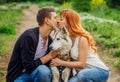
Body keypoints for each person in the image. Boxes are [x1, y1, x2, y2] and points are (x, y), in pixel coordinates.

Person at [51, 9, 109, 82]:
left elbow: (81, 64)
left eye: (61, 19)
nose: (58, 21)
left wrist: (61, 62)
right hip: (82, 73)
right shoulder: (66, 39)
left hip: (99, 71)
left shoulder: (82, 39)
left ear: (69, 22)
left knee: (82, 75)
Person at [6, 7, 60, 82]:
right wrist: (50, 56)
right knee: (43, 71)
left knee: (44, 71)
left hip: (36, 73)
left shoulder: (50, 41)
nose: (58, 21)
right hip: (20, 75)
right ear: (47, 21)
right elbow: (28, 67)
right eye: (55, 18)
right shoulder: (29, 37)